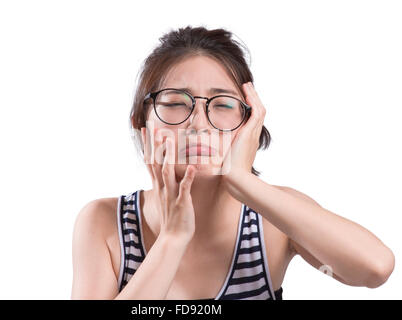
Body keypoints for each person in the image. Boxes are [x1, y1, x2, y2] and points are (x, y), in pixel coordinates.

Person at [71, 26, 395, 300]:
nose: (198, 123)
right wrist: (172, 239)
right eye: (174, 102)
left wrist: (241, 180)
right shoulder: (104, 223)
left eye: (223, 104)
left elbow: (376, 268)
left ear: (249, 123)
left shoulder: (272, 221)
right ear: (141, 124)